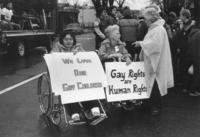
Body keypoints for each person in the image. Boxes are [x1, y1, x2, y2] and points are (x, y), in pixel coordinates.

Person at [51, 32, 101, 122]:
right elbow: (52, 59)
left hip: (78, 75)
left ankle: (93, 108)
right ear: (62, 40)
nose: (68, 41)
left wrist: (79, 54)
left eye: (70, 39)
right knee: (69, 91)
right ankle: (74, 113)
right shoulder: (57, 48)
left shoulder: (78, 47)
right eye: (66, 39)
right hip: (64, 77)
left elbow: (86, 58)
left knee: (86, 88)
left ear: (73, 40)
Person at [133, 7, 174, 115]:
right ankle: (150, 104)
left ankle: (156, 106)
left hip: (157, 62)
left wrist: (141, 43)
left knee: (155, 84)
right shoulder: (154, 28)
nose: (145, 21)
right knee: (151, 83)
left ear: (151, 18)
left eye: (146, 18)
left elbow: (155, 46)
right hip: (153, 60)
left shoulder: (158, 29)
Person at [178, 9, 200, 96]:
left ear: (184, 16)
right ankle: (189, 88)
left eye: (181, 15)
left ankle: (187, 88)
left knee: (190, 70)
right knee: (189, 69)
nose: (180, 17)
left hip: (189, 50)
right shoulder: (185, 25)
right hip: (188, 51)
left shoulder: (191, 26)